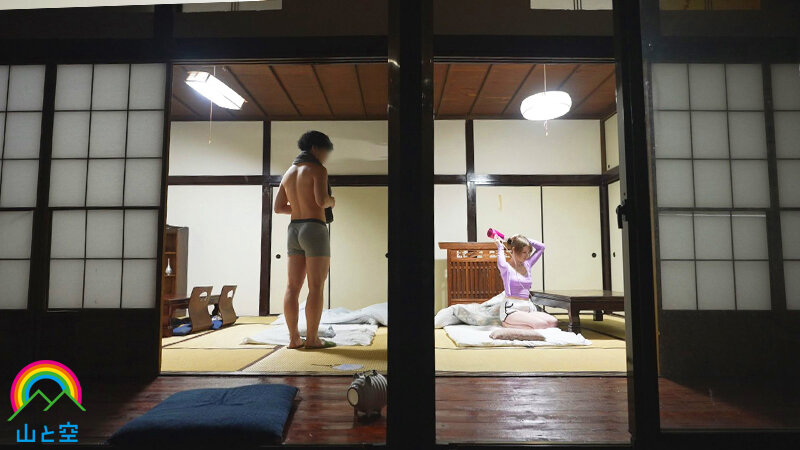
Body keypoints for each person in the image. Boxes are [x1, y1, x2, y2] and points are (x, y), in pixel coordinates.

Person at [274, 130, 336, 349]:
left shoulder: (288, 173)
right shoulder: (318, 170)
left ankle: (293, 339)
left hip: (294, 229)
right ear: (315, 148)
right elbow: (321, 201)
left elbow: (278, 207)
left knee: (292, 287)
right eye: (326, 151)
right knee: (316, 286)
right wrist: (332, 201)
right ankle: (312, 339)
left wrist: (301, 206)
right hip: (314, 229)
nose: (326, 156)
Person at [492, 234, 558, 330]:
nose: (527, 256)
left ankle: (520, 325)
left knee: (553, 322)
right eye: (524, 252)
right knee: (541, 324)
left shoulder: (527, 264)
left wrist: (521, 238)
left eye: (528, 252)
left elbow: (541, 247)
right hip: (512, 309)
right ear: (514, 250)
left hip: (528, 307)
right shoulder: (505, 267)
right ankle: (507, 324)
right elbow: (500, 252)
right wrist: (500, 245)